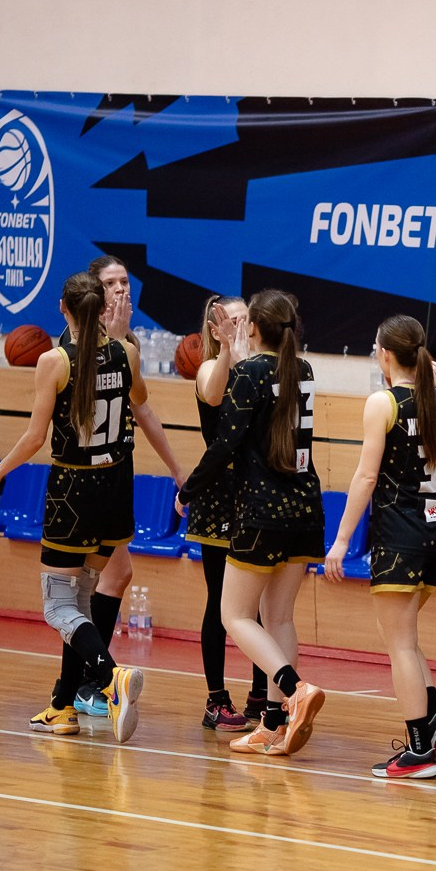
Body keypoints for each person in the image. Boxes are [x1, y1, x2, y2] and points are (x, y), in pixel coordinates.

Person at [0, 272, 145, 743]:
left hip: (73, 490)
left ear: (63, 308)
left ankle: (111, 676)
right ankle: (63, 707)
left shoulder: (55, 361)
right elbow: (139, 400)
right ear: (103, 309)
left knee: (58, 607)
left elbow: (36, 437)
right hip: (116, 487)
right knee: (83, 602)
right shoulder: (127, 353)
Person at [34, 254, 186, 727]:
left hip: (112, 477)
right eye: (112, 284)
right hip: (90, 479)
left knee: (92, 587)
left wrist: (178, 470)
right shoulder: (74, 348)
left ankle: (79, 689)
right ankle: (87, 684)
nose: (122, 290)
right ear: (93, 296)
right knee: (99, 581)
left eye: (125, 282)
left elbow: (143, 411)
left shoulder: (125, 346)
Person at [324, 315, 436, 779]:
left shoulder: (383, 403)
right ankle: (435, 719)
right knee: (403, 637)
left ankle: (419, 748)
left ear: (386, 354)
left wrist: (342, 540)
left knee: (400, 645)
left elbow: (366, 476)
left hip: (401, 538)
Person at [178, 290, 327, 756]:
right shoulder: (302, 369)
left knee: (234, 615)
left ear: (256, 328)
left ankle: (294, 688)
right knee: (279, 617)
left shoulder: (250, 373)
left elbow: (224, 444)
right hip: (306, 507)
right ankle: (274, 724)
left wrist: (187, 491)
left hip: (263, 509)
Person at [187, 294, 263, 733]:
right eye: (231, 321)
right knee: (220, 600)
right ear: (216, 330)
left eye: (245, 319)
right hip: (219, 493)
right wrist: (228, 352)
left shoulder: (261, 368)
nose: (239, 326)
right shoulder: (208, 369)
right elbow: (214, 395)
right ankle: (216, 699)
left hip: (256, 491)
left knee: (258, 602)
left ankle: (260, 695)